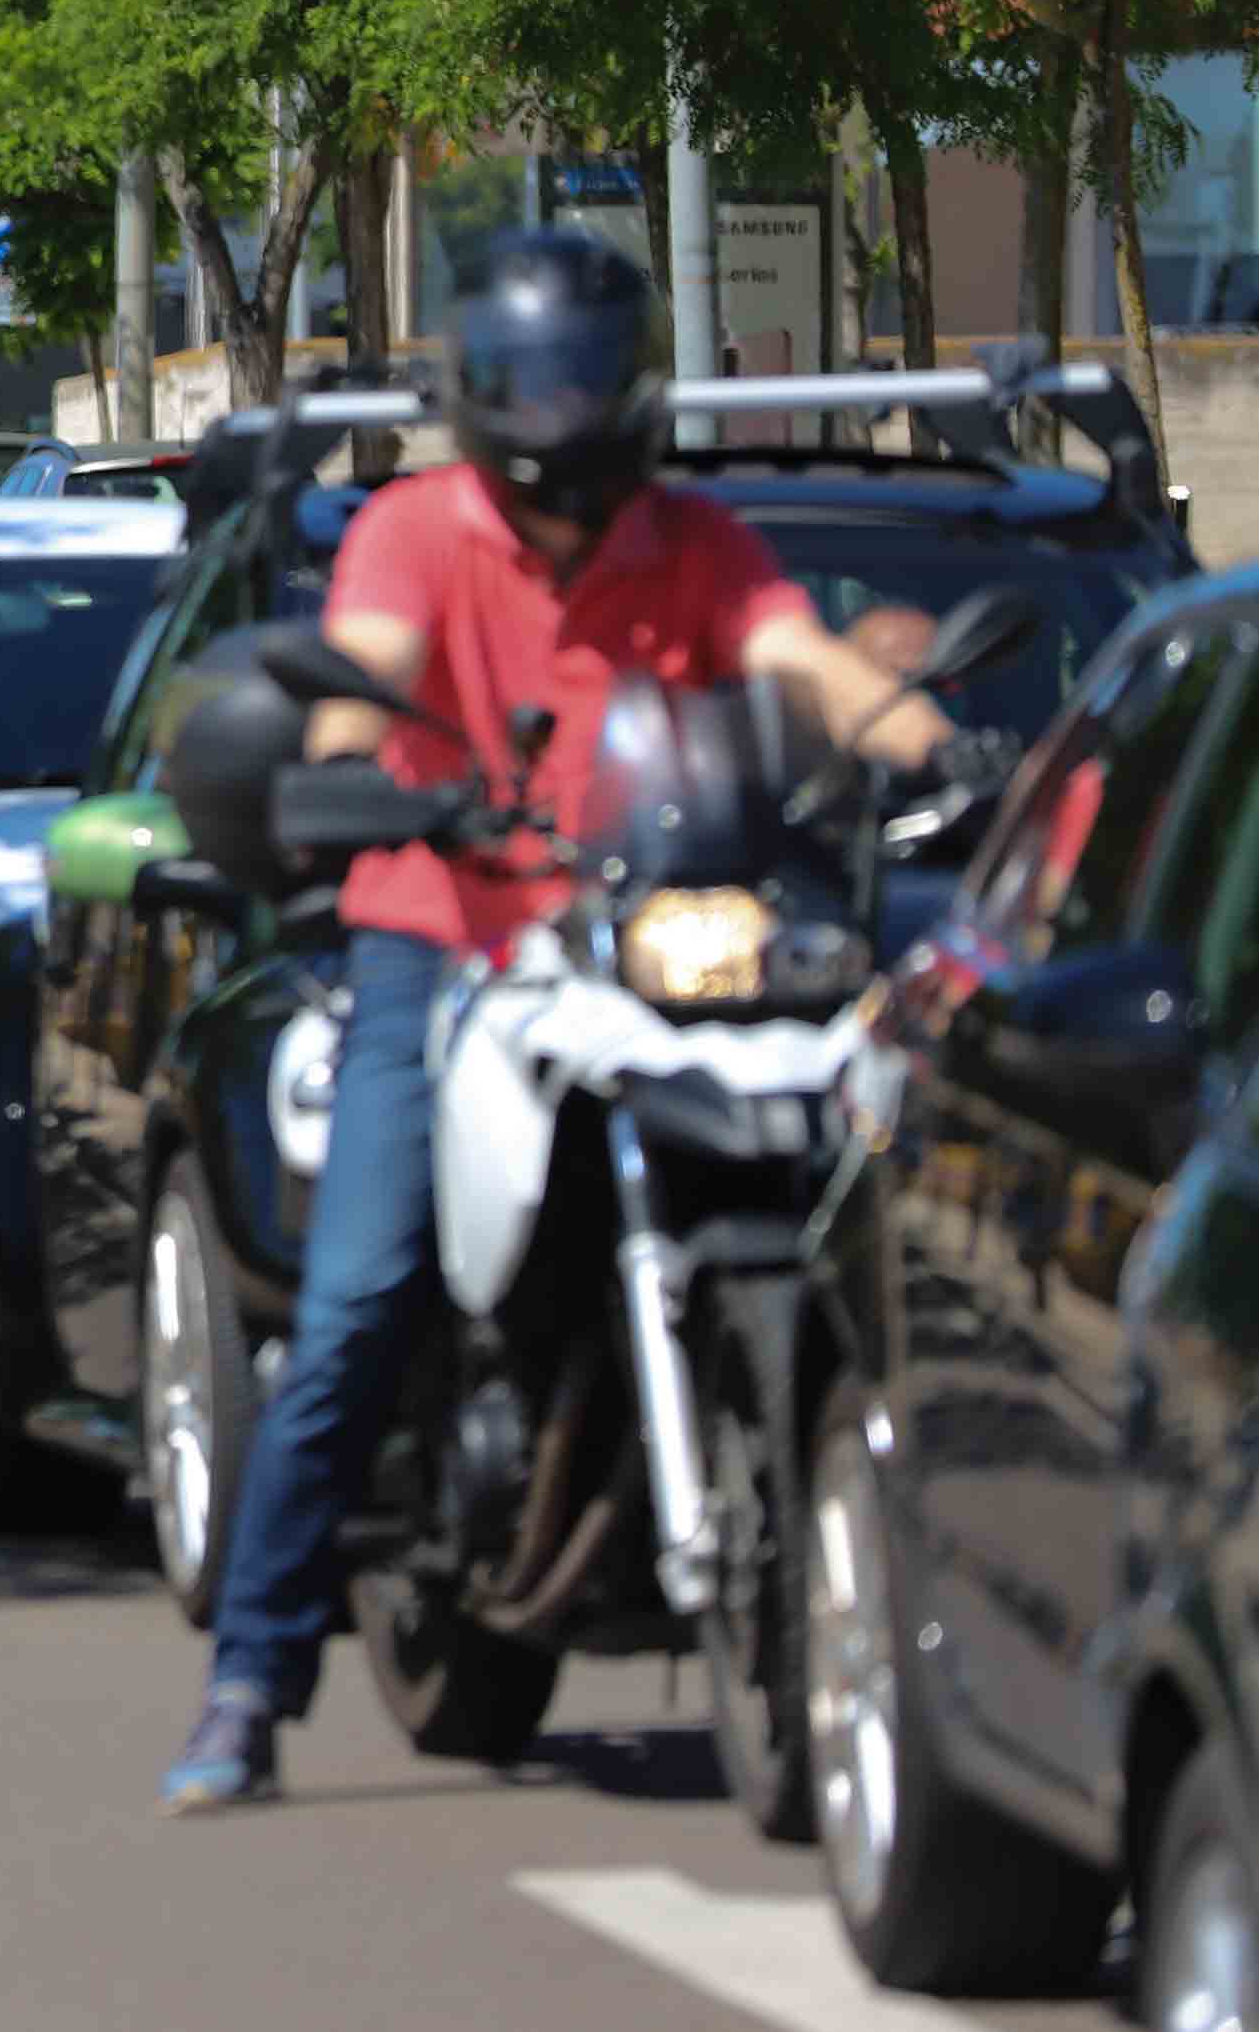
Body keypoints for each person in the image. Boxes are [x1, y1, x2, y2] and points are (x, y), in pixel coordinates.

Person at [159, 231, 980, 1812]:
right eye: (535, 444)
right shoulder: (411, 531)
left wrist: (950, 753)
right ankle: (251, 1677)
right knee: (354, 1302)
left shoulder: (693, 536)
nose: (561, 491)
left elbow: (800, 660)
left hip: (658, 941)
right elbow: (367, 676)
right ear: (476, 410)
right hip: (448, 949)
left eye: (589, 426)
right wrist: (349, 768)